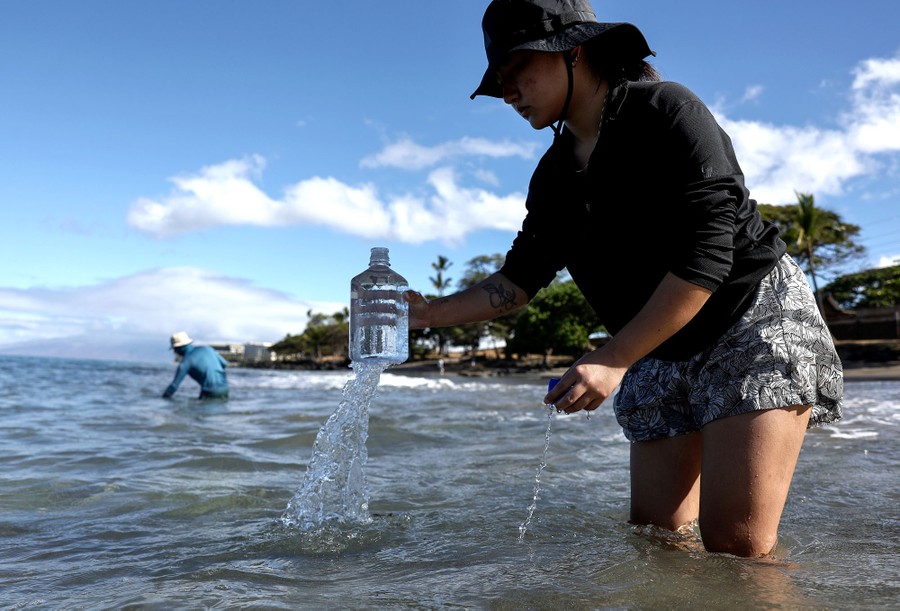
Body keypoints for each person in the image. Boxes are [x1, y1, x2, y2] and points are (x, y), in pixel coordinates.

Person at [405, 0, 843, 557]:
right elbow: (519, 280)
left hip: (749, 321)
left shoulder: (667, 110)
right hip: (657, 344)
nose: (509, 91)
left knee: (736, 548)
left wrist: (613, 358)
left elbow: (709, 254)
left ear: (573, 52)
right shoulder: (553, 176)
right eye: (500, 79)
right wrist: (427, 314)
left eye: (518, 69)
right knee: (656, 544)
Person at [162, 332, 230, 400]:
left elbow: (174, 386)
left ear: (178, 348)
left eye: (174, 349)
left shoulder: (185, 363)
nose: (174, 352)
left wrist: (163, 399)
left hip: (209, 392)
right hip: (225, 389)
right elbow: (224, 363)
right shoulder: (208, 349)